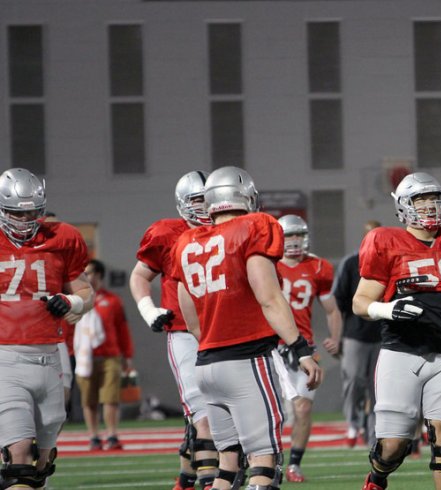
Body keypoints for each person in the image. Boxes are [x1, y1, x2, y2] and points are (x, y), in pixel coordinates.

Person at [173, 166, 322, 490]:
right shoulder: (256, 226)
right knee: (263, 464)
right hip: (248, 360)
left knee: (227, 468)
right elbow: (268, 297)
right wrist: (301, 348)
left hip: (207, 364)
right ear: (246, 197)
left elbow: (187, 309)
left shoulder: (186, 240)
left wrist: (212, 340)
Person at [354, 172, 441, 490]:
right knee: (394, 445)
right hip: (400, 352)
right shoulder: (385, 241)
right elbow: (361, 302)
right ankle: (377, 477)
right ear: (404, 206)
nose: (430, 207)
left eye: (435, 200)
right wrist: (389, 309)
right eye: (421, 201)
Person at [0, 168, 94, 489]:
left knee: (42, 465)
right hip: (5, 359)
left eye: (32, 212)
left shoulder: (62, 237)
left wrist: (71, 303)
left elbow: (85, 293)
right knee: (18, 462)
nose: (25, 220)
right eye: (16, 212)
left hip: (50, 357)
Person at [129, 170, 219, 490]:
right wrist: (148, 310)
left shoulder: (233, 228)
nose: (207, 207)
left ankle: (186, 477)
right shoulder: (167, 233)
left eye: (210, 199)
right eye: (199, 200)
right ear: (183, 202)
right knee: (202, 409)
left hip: (226, 331)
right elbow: (140, 277)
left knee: (217, 412)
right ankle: (211, 481)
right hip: (183, 331)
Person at [275, 214, 343, 483]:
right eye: (288, 235)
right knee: (273, 413)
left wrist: (335, 337)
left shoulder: (318, 267)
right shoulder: (266, 265)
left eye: (297, 235)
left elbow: (331, 309)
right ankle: (264, 461)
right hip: (271, 346)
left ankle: (294, 464)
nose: (293, 241)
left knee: (303, 409)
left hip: (303, 347)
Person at [75, 259, 134, 451]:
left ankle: (112, 434)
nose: (86, 276)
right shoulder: (77, 299)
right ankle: (93, 436)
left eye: (90, 272)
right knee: (89, 399)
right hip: (85, 356)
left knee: (110, 398)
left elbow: (122, 328)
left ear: (99, 274)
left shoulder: (113, 300)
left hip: (110, 355)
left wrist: (127, 354)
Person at [333, 220, 382, 448]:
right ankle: (353, 423)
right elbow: (339, 302)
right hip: (355, 333)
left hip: (383, 335)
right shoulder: (351, 263)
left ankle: (373, 433)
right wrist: (338, 336)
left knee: (377, 387)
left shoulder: (389, 262)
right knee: (353, 380)